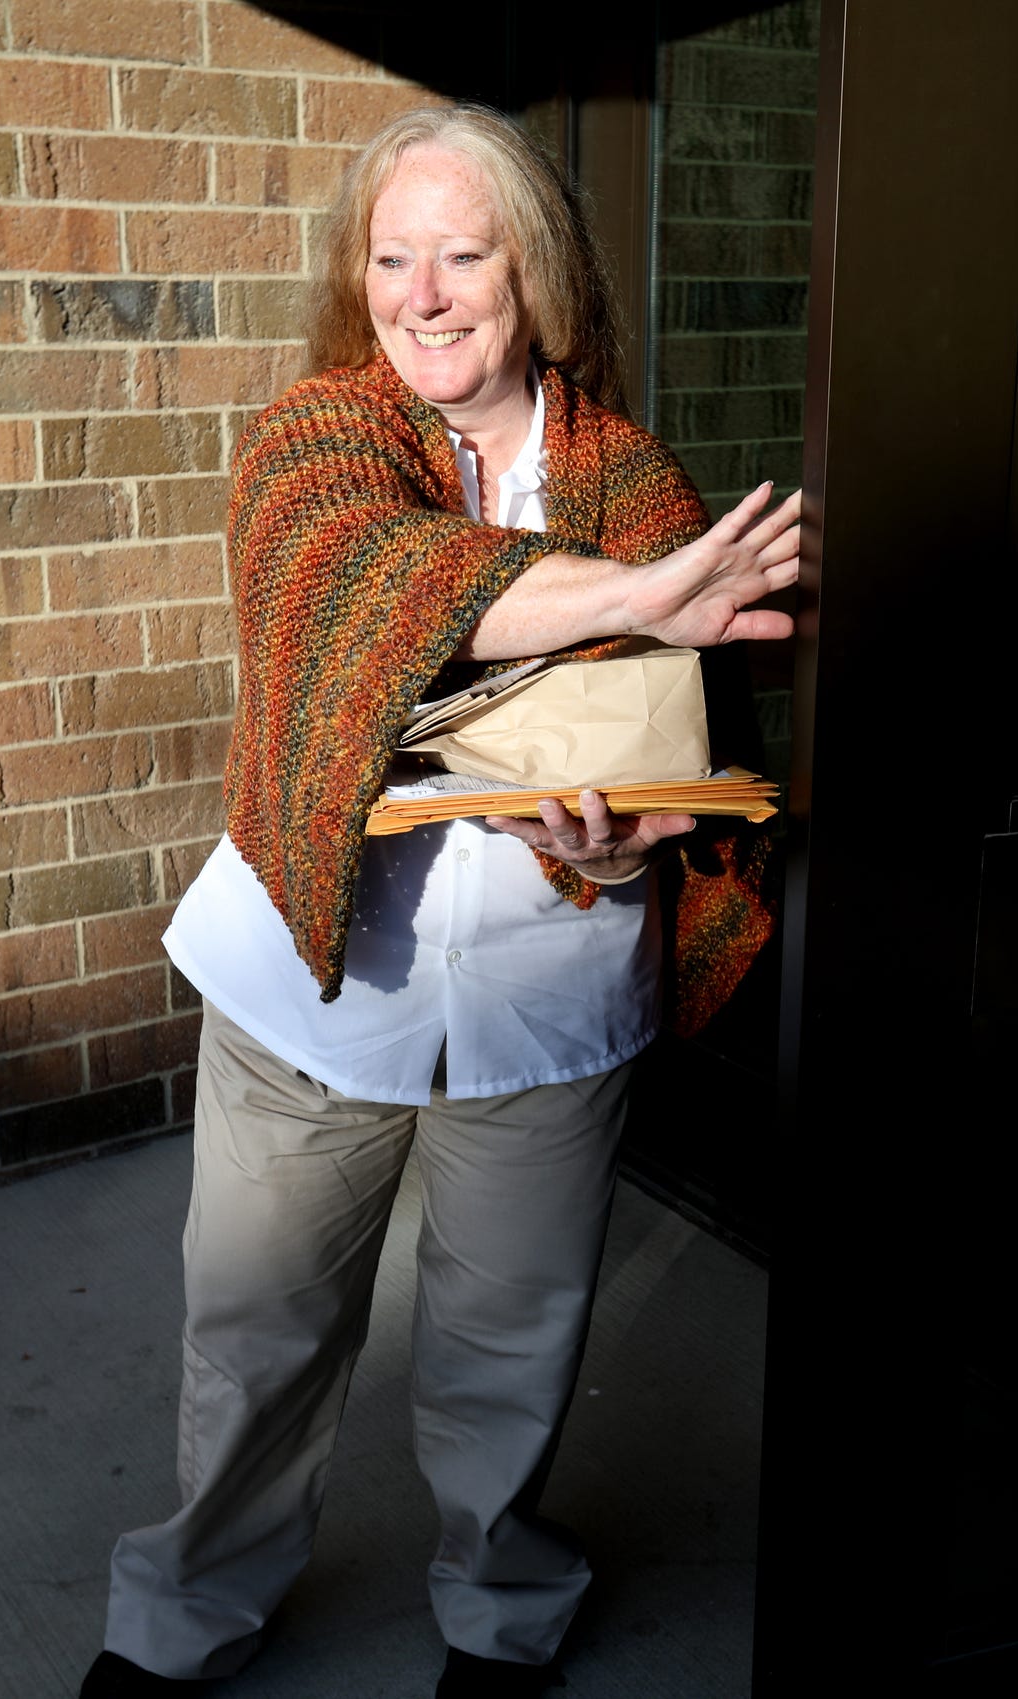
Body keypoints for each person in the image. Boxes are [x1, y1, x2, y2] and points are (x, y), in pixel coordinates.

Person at [81, 102, 798, 1699]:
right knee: (257, 1337)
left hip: (552, 1004)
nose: (424, 291)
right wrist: (628, 605)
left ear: (534, 277)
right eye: (392, 256)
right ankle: (192, 1609)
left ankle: (502, 1610)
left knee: (512, 1348)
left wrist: (622, 852)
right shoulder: (316, 440)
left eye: (464, 253)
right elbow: (363, 572)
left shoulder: (635, 484)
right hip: (310, 991)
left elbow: (685, 772)